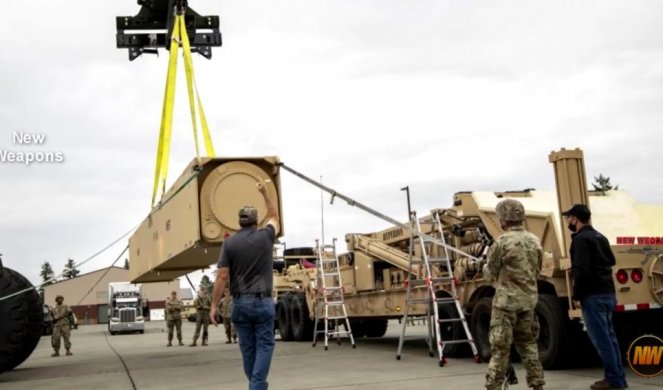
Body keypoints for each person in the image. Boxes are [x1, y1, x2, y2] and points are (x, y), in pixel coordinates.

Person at [211, 177, 278, 390]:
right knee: (265, 345)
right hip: (263, 302)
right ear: (256, 221)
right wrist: (265, 194)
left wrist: (214, 304)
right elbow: (275, 217)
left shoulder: (229, 244)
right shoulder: (266, 236)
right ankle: (257, 385)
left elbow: (222, 276)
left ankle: (255, 384)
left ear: (239, 222)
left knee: (248, 349)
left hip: (240, 304)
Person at [563, 204, 627, 390]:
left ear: (575, 219)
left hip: (593, 295)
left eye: (569, 217)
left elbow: (581, 270)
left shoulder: (581, 240)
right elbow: (611, 261)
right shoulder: (601, 237)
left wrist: (576, 295)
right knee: (610, 338)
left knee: (602, 339)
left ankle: (614, 380)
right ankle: (618, 378)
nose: (568, 221)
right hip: (608, 293)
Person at [483, 199, 545, 390]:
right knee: (529, 346)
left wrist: (484, 266)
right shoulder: (535, 240)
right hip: (528, 304)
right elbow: (537, 270)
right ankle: (538, 386)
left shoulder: (501, 242)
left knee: (500, 351)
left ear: (503, 220)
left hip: (505, 306)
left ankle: (493, 387)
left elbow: (489, 275)